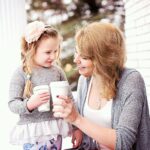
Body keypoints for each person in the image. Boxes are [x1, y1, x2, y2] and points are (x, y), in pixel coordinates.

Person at [53, 22, 150, 150]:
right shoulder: (84, 81)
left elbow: (123, 142)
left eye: (84, 56)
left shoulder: (131, 80)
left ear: (103, 58)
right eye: (77, 53)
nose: (76, 60)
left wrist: (77, 119)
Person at [8, 21, 82, 150]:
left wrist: (76, 128)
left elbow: (70, 101)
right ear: (31, 49)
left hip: (54, 129)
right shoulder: (21, 72)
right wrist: (29, 104)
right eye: (48, 52)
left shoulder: (57, 71)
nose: (53, 56)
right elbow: (12, 104)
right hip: (32, 132)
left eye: (55, 51)